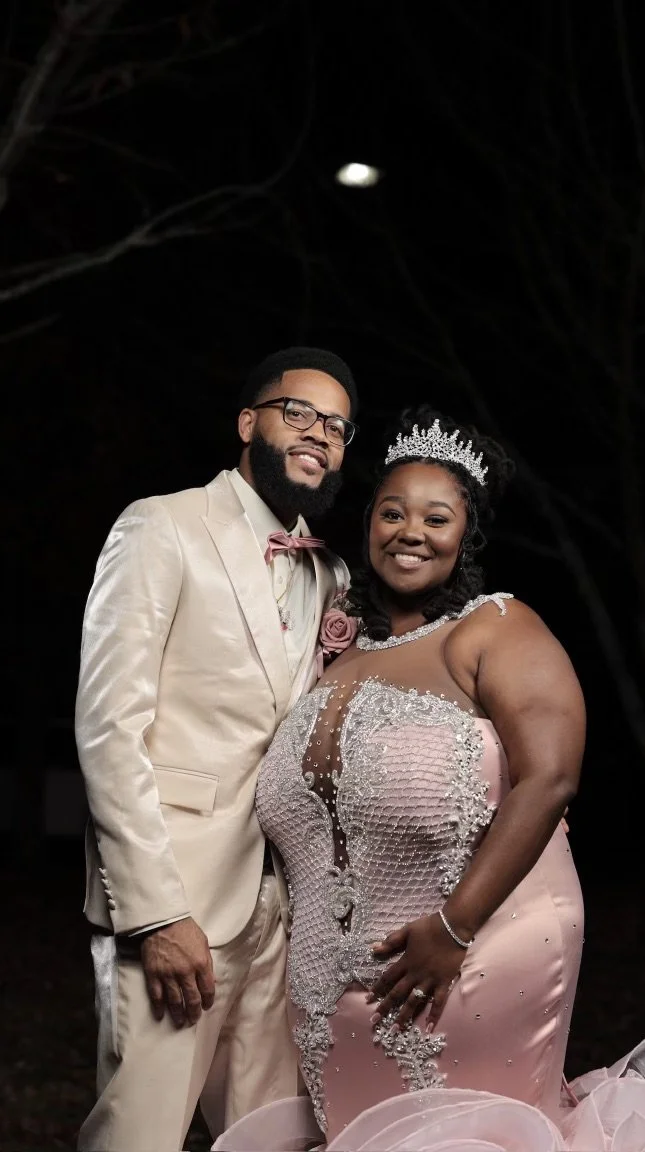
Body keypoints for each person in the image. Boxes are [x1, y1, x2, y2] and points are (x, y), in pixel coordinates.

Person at [213, 408, 645, 1152]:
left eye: (436, 517)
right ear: (369, 523)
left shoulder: (495, 628)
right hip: (327, 990)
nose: (410, 530)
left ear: (466, 534)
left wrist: (452, 928)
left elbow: (550, 779)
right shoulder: (337, 656)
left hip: (473, 952)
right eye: (392, 512)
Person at [75, 347, 358, 1152]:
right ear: (248, 424)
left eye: (337, 427)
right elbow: (108, 729)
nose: (318, 434)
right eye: (297, 412)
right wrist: (156, 912)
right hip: (176, 902)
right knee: (140, 1138)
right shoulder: (160, 526)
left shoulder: (330, 574)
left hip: (282, 913)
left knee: (270, 1140)